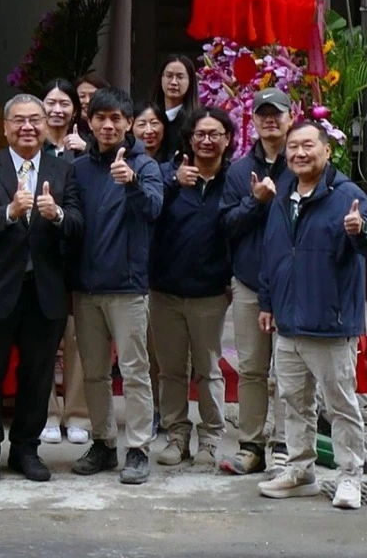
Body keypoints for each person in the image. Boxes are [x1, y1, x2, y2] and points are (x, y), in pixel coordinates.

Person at [256, 122, 367, 511]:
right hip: (289, 324)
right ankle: (300, 471)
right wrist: (268, 302)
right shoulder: (283, 196)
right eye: (293, 146)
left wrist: (360, 229)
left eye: (308, 145)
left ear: (327, 151)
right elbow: (273, 253)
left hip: (330, 323)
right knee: (294, 402)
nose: (299, 153)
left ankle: (350, 476)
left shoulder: (347, 195)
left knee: (340, 406)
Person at [0, 93, 81, 484]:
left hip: (44, 291)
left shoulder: (64, 170)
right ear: (5, 126)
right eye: (19, 120)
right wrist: (9, 213)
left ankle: (26, 448)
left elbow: (79, 223)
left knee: (38, 375)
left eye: (34, 119)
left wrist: (57, 214)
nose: (27, 127)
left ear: (45, 124)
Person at [66, 87, 163, 485]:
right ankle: (104, 442)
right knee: (94, 372)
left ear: (129, 124)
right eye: (100, 118)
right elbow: (71, 222)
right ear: (89, 122)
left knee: (135, 371)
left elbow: (154, 209)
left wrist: (132, 183)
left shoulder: (146, 166)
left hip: (128, 287)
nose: (107, 125)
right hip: (86, 287)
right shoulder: (78, 169)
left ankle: (138, 448)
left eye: (115, 119)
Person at [148, 106, 236, 470]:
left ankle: (211, 438)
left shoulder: (234, 180)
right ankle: (177, 435)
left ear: (227, 140)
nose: (207, 141)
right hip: (164, 290)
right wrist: (173, 183)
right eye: (200, 134)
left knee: (208, 369)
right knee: (170, 369)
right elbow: (147, 211)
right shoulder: (167, 174)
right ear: (189, 139)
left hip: (210, 292)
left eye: (215, 134)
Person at [219, 87, 292, 475]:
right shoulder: (238, 171)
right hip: (248, 281)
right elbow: (227, 225)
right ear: (254, 121)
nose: (270, 120)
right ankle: (251, 444)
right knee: (251, 368)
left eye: (277, 113)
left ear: (290, 118)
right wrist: (256, 200)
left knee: (290, 369)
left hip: (291, 284)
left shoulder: (301, 164)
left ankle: (285, 444)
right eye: (263, 114)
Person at [37, 78, 89, 448]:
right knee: (41, 340)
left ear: (75, 110)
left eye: (64, 103)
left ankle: (79, 414)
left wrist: (86, 152)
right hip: (40, 256)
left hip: (79, 256)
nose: (57, 109)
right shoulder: (28, 147)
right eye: (50, 102)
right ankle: (47, 414)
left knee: (79, 339)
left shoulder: (87, 149)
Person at [157, 55, 199, 127]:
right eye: (169, 76)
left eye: (180, 77)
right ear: (161, 78)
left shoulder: (197, 121)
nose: (174, 82)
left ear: (190, 81)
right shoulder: (151, 116)